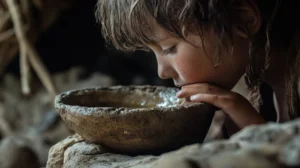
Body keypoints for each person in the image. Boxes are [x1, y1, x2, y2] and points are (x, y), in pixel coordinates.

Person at [95, 0, 300, 136]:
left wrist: (253, 131)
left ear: (242, 19)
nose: (162, 72)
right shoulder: (262, 76)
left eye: (169, 48)